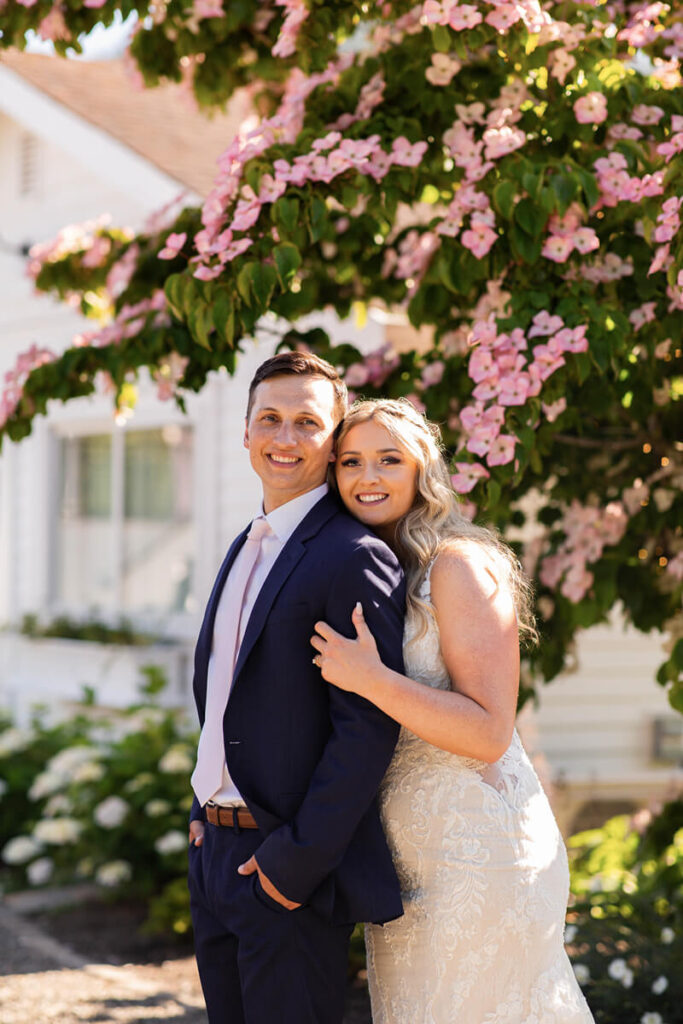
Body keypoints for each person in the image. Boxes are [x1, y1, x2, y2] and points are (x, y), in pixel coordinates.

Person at [311, 398, 595, 1024]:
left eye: (390, 459)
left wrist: (372, 680)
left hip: (479, 854)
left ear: (423, 471)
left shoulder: (458, 564)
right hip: (405, 864)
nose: (368, 477)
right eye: (351, 462)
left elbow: (490, 732)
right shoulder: (377, 566)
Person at [187, 353, 406, 1024]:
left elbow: (366, 728)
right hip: (213, 852)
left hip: (284, 866)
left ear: (334, 439)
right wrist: (201, 817)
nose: (284, 439)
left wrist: (295, 864)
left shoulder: (352, 555)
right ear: (245, 433)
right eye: (270, 420)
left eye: (306, 422)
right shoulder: (245, 543)